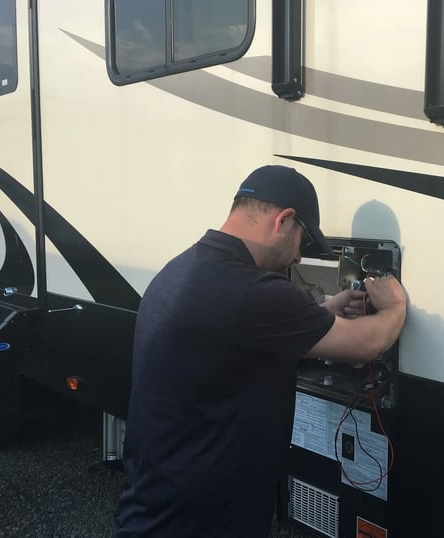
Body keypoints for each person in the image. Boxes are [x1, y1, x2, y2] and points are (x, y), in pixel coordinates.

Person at [111, 165, 407, 537]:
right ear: (283, 220)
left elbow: (244, 337)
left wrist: (325, 311)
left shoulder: (184, 269)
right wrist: (395, 307)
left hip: (155, 506)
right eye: (303, 243)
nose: (298, 258)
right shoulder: (252, 291)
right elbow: (366, 343)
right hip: (202, 523)